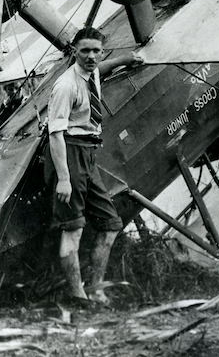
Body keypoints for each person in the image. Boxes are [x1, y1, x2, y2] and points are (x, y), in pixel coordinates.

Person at [47, 26, 142, 306]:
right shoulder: (66, 86)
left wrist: (125, 60)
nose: (91, 56)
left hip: (89, 154)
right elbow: (55, 134)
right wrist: (64, 178)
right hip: (69, 155)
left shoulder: (92, 73)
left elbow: (103, 68)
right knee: (73, 229)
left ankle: (96, 289)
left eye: (96, 51)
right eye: (85, 50)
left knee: (111, 224)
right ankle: (78, 297)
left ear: (102, 52)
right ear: (74, 51)